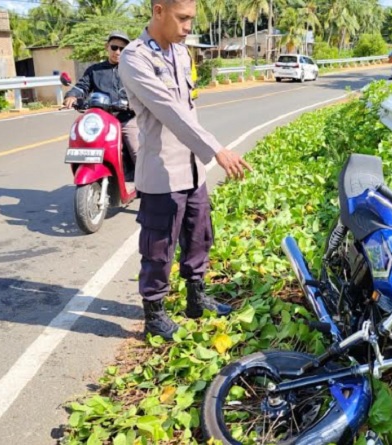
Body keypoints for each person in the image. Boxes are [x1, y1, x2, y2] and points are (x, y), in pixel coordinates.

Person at [119, 0, 252, 341]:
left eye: (191, 19)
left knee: (198, 235)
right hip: (162, 170)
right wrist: (217, 150)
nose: (189, 27)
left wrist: (204, 156)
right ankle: (155, 313)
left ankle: (196, 298)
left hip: (192, 167)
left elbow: (190, 109)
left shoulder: (180, 53)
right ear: (159, 10)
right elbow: (169, 111)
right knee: (159, 245)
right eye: (182, 18)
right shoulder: (135, 58)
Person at [63, 31, 139, 176]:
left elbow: (142, 90)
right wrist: (72, 96)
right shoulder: (95, 70)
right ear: (107, 47)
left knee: (137, 150)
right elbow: (82, 86)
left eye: (122, 49)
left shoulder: (132, 70)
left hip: (126, 118)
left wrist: (135, 104)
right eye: (114, 47)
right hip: (101, 121)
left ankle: (146, 187)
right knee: (84, 143)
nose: (118, 52)